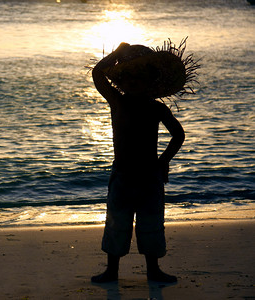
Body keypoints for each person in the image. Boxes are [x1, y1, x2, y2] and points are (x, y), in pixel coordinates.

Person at [91, 42, 185, 283]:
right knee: (116, 223)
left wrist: (163, 162)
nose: (133, 82)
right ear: (120, 81)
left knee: (151, 222)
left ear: (150, 81)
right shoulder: (117, 102)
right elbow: (97, 74)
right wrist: (118, 53)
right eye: (128, 77)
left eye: (139, 77)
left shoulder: (156, 108)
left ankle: (153, 271)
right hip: (122, 175)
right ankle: (112, 271)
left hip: (149, 177)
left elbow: (179, 134)